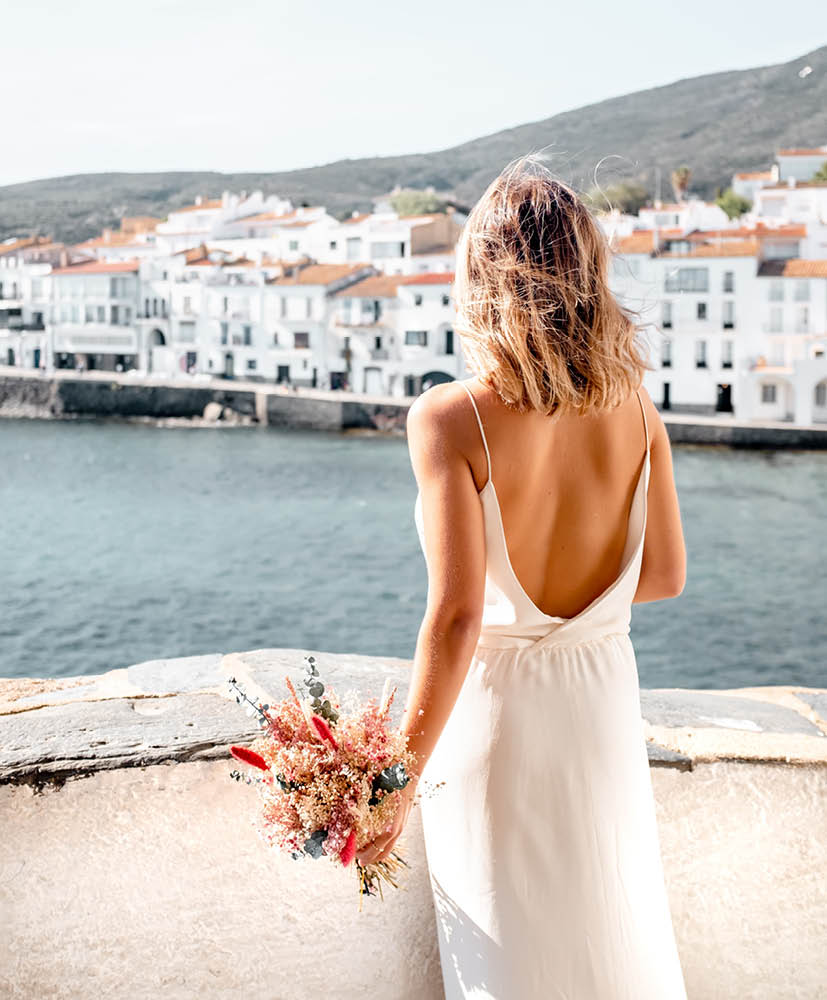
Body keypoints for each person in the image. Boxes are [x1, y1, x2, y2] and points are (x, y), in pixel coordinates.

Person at [356, 154, 688, 999]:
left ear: (483, 278)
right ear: (587, 274)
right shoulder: (637, 408)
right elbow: (663, 578)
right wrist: (577, 619)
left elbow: (457, 617)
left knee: (512, 964)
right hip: (598, 709)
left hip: (500, 720)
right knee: (608, 945)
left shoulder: (449, 417)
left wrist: (391, 782)